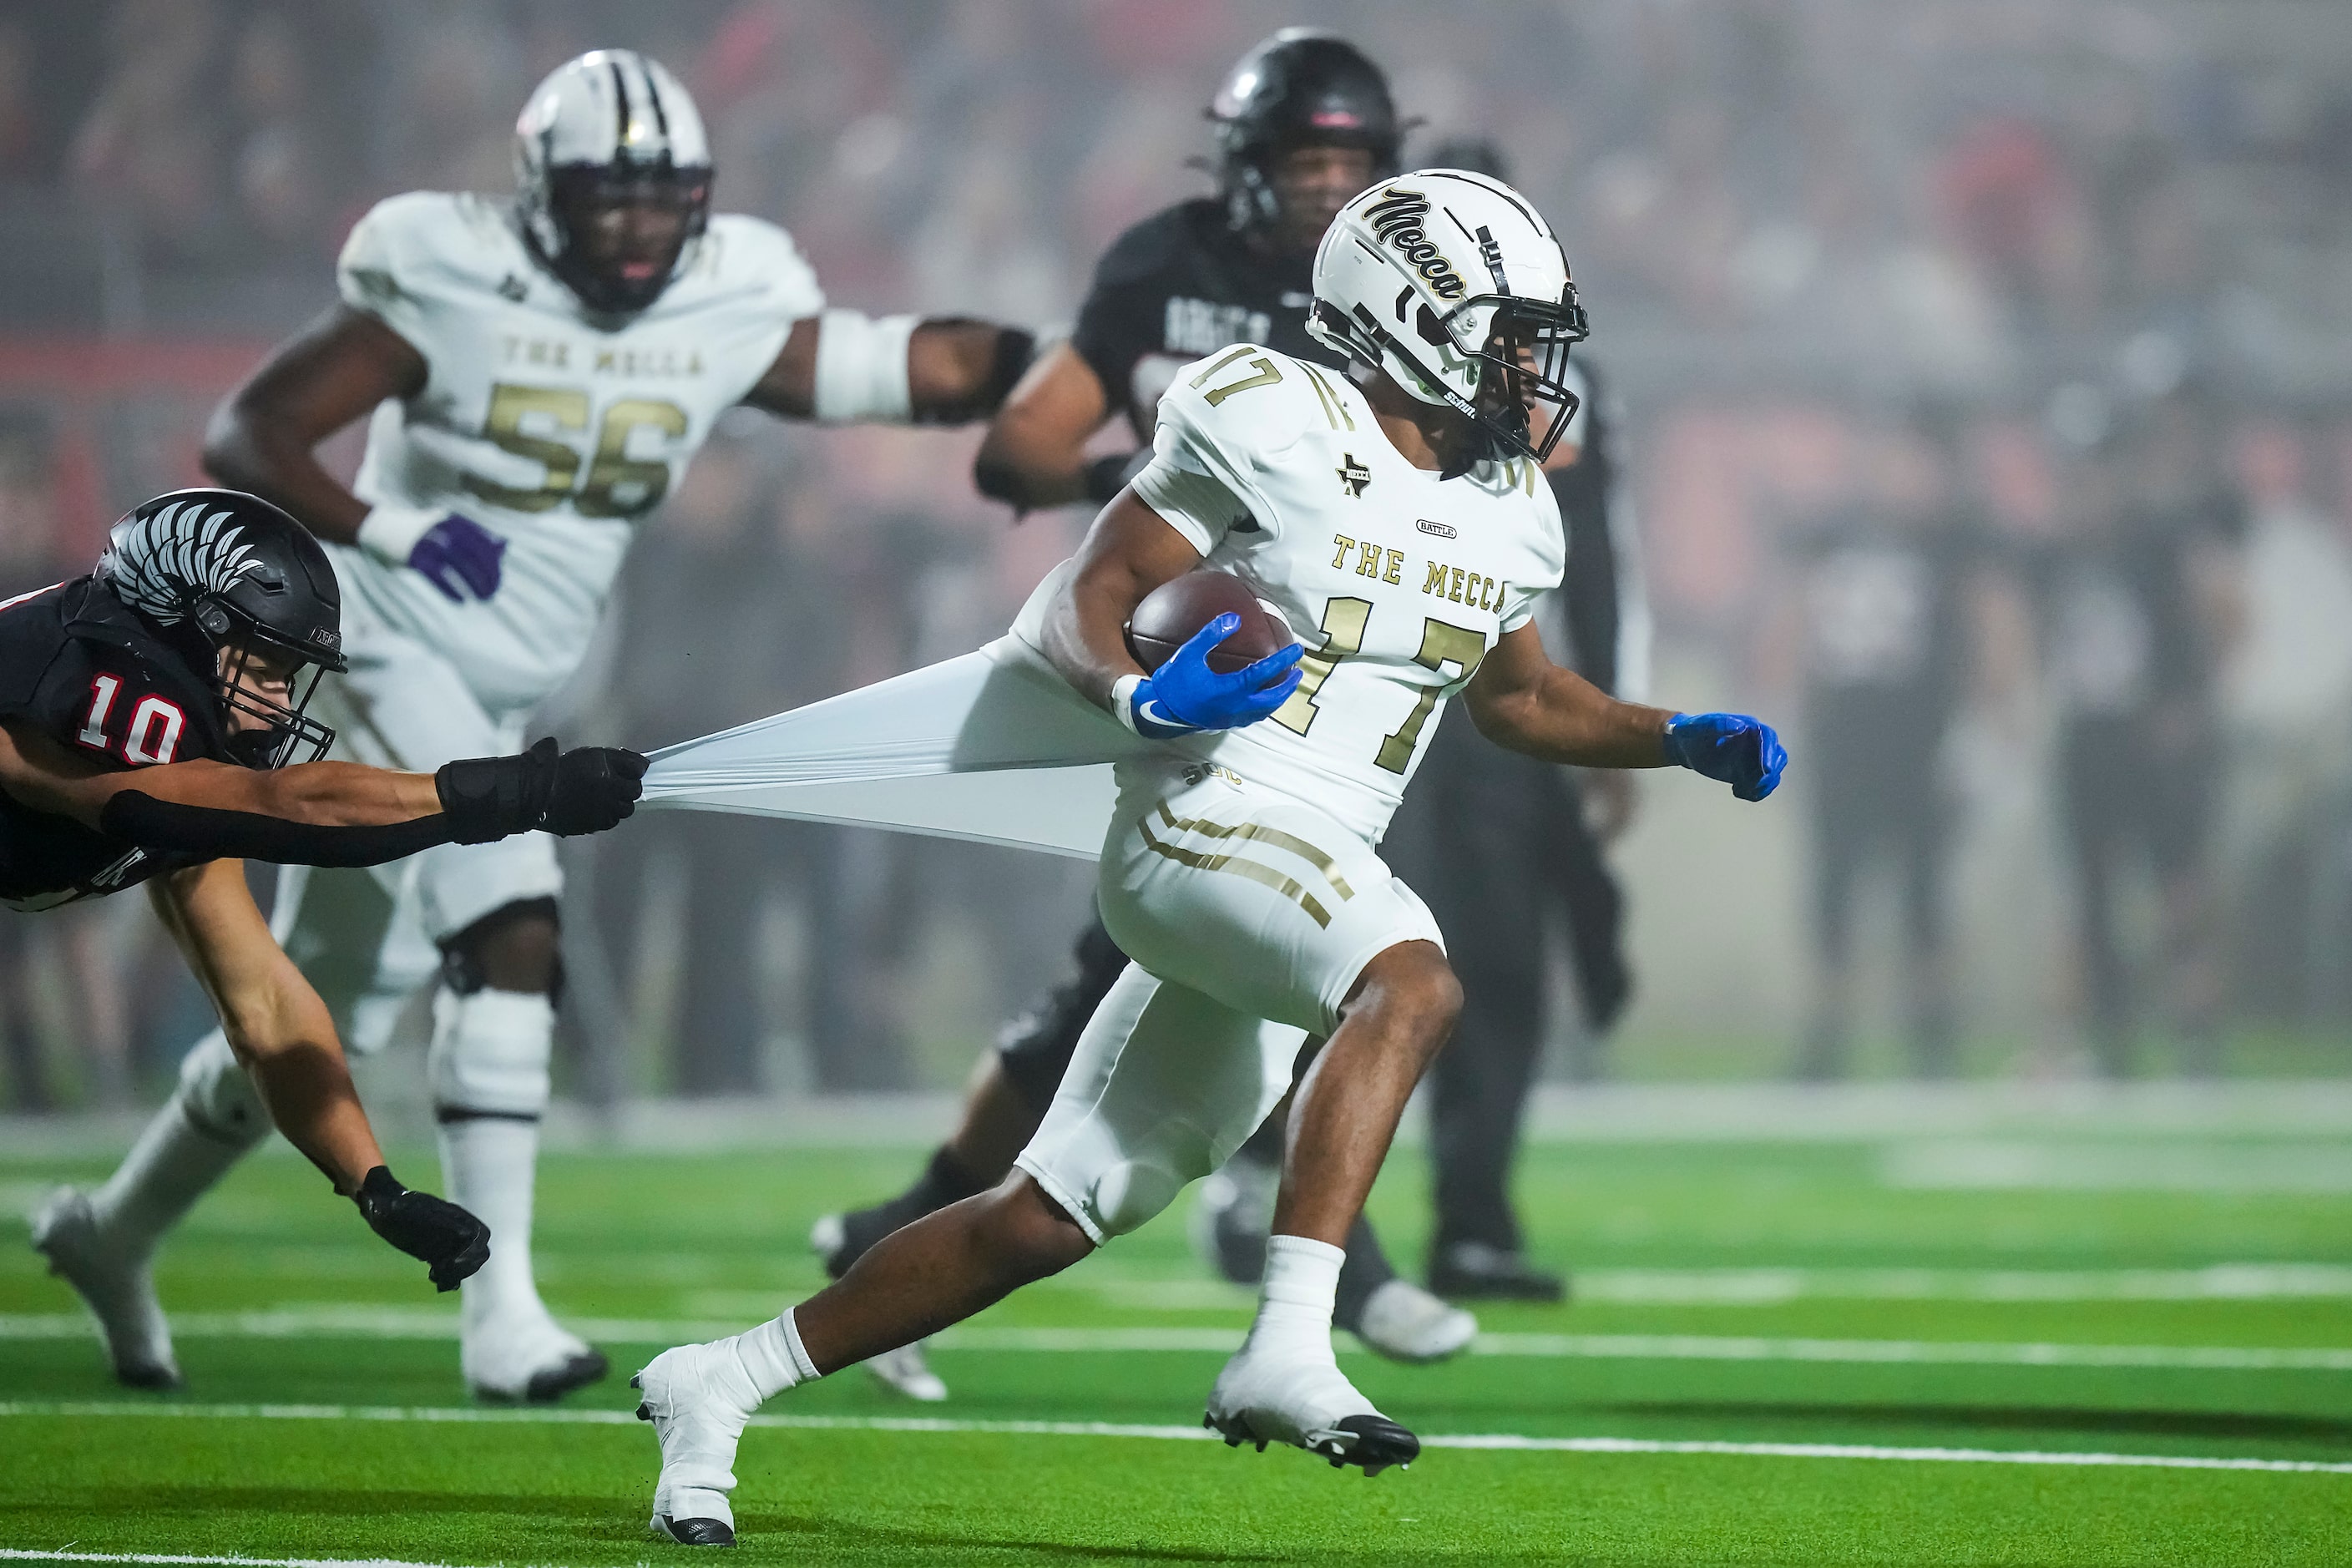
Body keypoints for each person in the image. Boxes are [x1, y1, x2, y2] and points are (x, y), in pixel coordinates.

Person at [631, 169, 1784, 1546]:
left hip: (1305, 863)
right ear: (1410, 315)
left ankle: (721, 1379)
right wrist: (1135, 699)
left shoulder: (1509, 500)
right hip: (1203, 814)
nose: (1531, 366)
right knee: (1411, 980)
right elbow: (1083, 602)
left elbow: (1521, 700)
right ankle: (1288, 1342)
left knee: (1046, 1214)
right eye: (1506, 330)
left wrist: (1674, 735)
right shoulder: (1271, 414)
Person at [38, 48, 1035, 1404]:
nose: (633, 226)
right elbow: (255, 430)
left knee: (316, 1001)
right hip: (382, 634)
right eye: (603, 197)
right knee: (513, 903)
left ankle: (116, 1228)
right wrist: (392, 525)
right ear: (537, 194)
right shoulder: (451, 275)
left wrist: (1060, 366)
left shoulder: (727, 294)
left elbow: (896, 366)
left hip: (518, 674)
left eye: (657, 197)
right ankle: (499, 1305)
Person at [812, 28, 1476, 1399]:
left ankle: (910, 1227)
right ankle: (1318, 1263)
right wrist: (1182, 474)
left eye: (1347, 162)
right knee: (1266, 959)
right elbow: (1021, 447)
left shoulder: (1396, 299)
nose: (1320, 187)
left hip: (1327, 676)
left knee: (1165, 973)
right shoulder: (1163, 267)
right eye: (1301, 159)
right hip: (1165, 655)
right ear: (1240, 163)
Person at [13, 489, 645, 1384]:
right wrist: (513, 794)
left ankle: (108, 1241)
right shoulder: (76, 693)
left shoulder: (174, 761)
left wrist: (374, 1187)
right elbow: (287, 807)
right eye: (263, 666)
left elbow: (266, 1010)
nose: (277, 703)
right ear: (174, 628)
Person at [1377, 135, 1648, 1302]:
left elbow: (1597, 560)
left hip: (1499, 700)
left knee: (1495, 965)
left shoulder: (1551, 374)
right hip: (1371, 696)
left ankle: (1472, 1218)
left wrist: (1613, 710)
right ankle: (1264, 1193)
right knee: (1344, 955)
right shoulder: (1338, 352)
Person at [1779, 408, 1985, 1080]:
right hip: (1841, 739)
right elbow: (1795, 625)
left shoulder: (1951, 540)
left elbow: (1985, 630)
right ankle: (1826, 1040)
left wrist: (1984, 723)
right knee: (1832, 896)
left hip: (1920, 740)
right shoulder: (1830, 533)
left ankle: (1932, 1038)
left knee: (1923, 897)